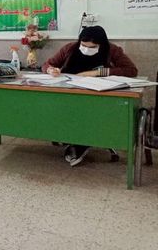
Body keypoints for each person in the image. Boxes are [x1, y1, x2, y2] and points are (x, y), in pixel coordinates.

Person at [42, 25, 138, 167]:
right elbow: (47, 64)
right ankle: (72, 138)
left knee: (85, 111)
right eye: (83, 45)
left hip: (99, 96)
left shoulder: (112, 50)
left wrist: (98, 72)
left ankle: (81, 142)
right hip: (70, 92)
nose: (87, 49)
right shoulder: (70, 48)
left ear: (101, 44)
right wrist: (51, 70)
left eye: (92, 47)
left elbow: (131, 70)